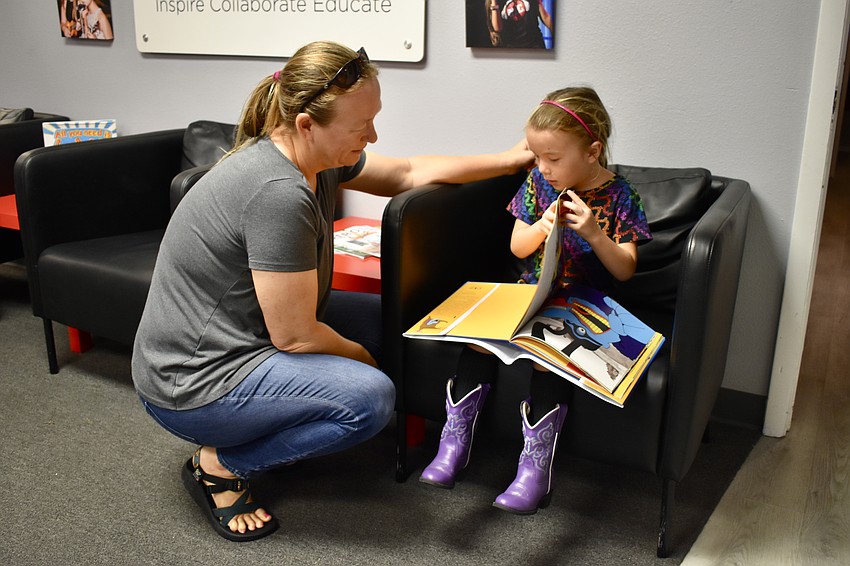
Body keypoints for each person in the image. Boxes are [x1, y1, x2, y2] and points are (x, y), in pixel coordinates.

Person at [131, 40, 533, 542]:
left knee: (397, 321)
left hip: (249, 333)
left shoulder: (312, 155)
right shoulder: (278, 192)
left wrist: (510, 159)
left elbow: (410, 172)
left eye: (373, 119)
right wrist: (359, 359)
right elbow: (296, 338)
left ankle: (273, 425)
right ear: (307, 124)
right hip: (191, 381)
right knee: (368, 399)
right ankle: (221, 463)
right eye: (361, 126)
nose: (373, 134)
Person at [418, 86, 652, 515]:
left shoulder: (621, 195)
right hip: (531, 293)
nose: (543, 168)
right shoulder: (538, 185)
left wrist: (595, 233)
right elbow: (518, 248)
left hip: (585, 305)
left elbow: (625, 269)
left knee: (549, 357)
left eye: (554, 159)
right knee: (475, 340)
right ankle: (453, 444)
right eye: (537, 157)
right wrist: (542, 226)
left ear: (592, 151)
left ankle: (534, 471)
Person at [486, 0, 553, 49]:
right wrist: (494, 2)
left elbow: (545, 17)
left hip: (535, 46)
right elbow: (497, 28)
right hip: (511, 49)